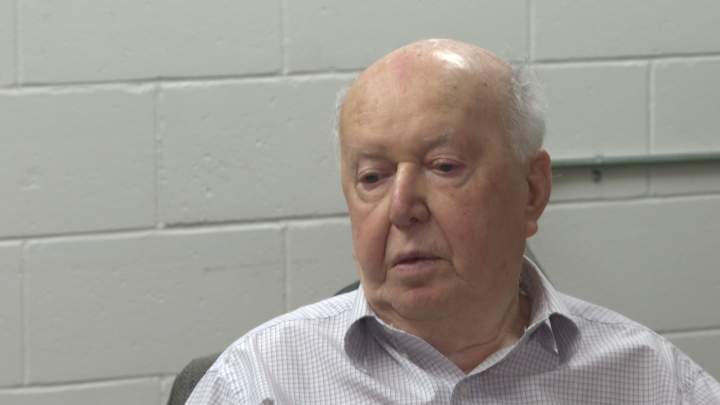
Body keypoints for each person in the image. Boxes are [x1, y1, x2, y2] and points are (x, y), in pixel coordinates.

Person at [187, 39, 720, 404]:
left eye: (443, 167)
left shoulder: (652, 381)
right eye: (372, 177)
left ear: (532, 191)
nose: (401, 207)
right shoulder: (258, 384)